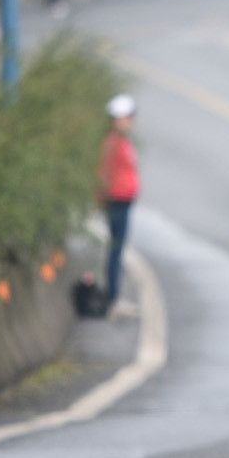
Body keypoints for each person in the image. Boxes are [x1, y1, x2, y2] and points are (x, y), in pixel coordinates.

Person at [98, 94, 140, 314]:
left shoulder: (122, 142)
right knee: (115, 250)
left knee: (118, 249)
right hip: (116, 201)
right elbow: (103, 173)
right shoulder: (112, 143)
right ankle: (113, 299)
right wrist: (102, 197)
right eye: (126, 117)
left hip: (124, 200)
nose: (129, 121)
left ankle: (114, 296)